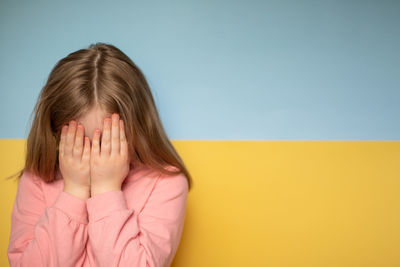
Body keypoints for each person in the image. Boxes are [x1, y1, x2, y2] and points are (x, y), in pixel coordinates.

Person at [7, 42, 193, 267]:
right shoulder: (36, 180)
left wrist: (106, 189)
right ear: (55, 133)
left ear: (138, 128)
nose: (95, 156)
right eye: (79, 141)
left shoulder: (166, 184)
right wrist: (74, 191)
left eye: (107, 142)